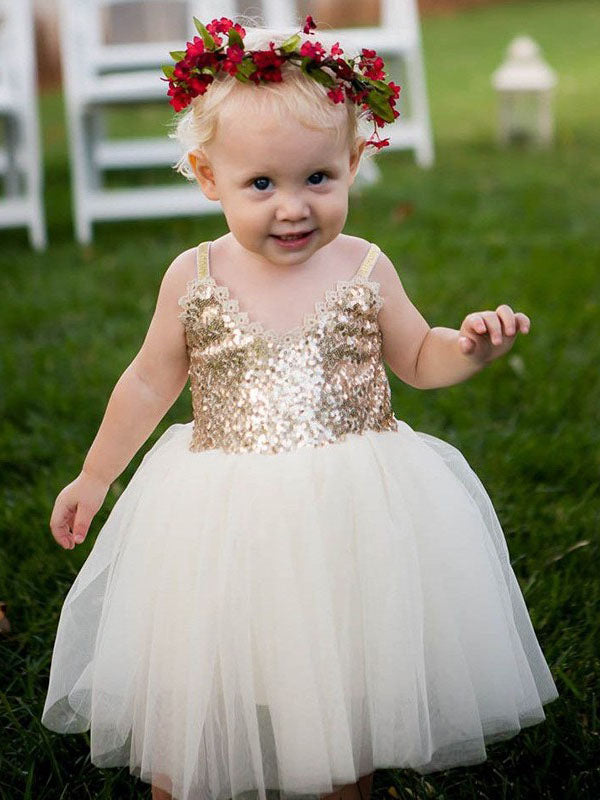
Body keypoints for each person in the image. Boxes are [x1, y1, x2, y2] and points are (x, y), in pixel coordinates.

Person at [41, 15, 559, 800]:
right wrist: (95, 475)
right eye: (262, 185)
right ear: (207, 176)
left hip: (348, 509)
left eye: (318, 178)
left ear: (353, 163)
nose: (293, 207)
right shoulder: (193, 276)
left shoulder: (364, 266)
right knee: (202, 678)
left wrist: (469, 348)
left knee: (341, 680)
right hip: (220, 509)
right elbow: (148, 381)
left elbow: (420, 357)